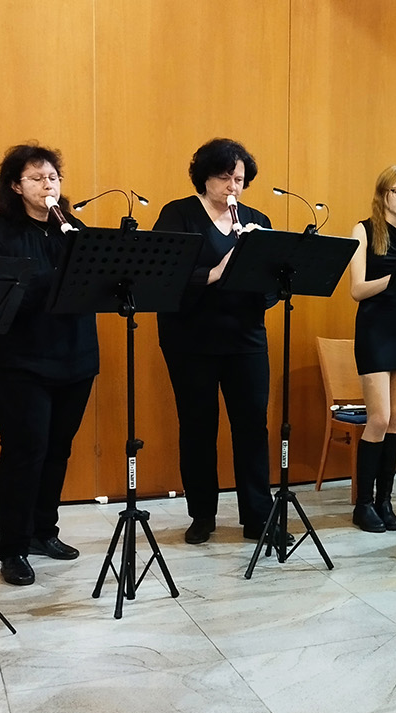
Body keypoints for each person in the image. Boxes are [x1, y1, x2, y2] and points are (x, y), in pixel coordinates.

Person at [0, 143, 98, 586]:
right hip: (16, 362)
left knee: (58, 449)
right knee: (25, 451)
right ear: (15, 186)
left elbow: (97, 284)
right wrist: (58, 275)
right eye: (37, 178)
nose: (48, 185)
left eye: (53, 178)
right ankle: (13, 547)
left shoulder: (72, 229)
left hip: (74, 357)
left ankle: (44, 531)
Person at [153, 138, 284, 547]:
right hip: (191, 339)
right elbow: (163, 278)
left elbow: (272, 287)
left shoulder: (256, 219)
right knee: (198, 426)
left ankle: (258, 517)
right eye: (225, 177)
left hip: (246, 338)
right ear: (205, 177)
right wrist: (217, 271)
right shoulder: (178, 215)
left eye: (239, 179)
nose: (233, 187)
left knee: (252, 426)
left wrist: (261, 274)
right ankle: (202, 515)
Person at [348, 166, 396, 532]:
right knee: (378, 419)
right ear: (382, 195)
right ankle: (363, 504)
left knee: (395, 420)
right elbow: (357, 290)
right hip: (375, 326)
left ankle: (384, 500)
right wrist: (395, 277)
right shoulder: (363, 230)